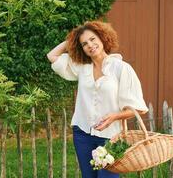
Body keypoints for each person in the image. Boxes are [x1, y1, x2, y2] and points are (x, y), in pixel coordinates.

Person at [47, 21, 148, 178]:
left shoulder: (121, 68)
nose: (90, 45)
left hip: (111, 137)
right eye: (84, 44)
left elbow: (139, 108)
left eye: (93, 39)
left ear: (102, 38)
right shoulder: (82, 67)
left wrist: (114, 116)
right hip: (82, 134)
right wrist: (72, 40)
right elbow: (52, 56)